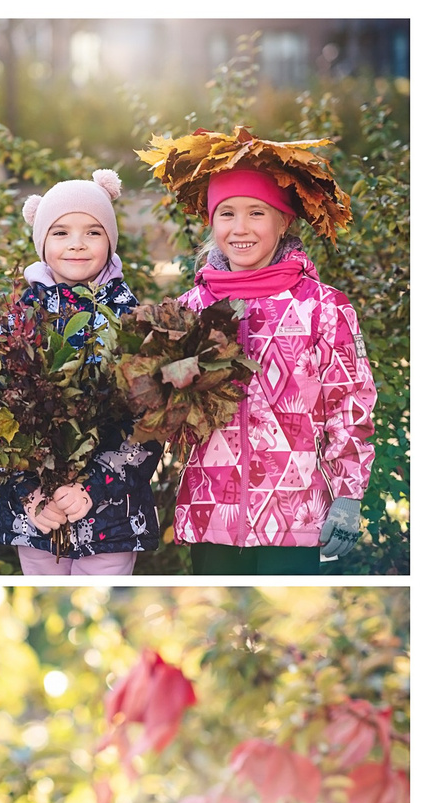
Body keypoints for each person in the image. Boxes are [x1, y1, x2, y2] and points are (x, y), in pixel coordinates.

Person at [144, 132, 375, 573]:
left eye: (257, 212)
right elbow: (169, 416)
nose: (240, 228)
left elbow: (350, 404)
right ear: (212, 222)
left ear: (284, 221)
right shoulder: (190, 310)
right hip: (212, 510)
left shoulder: (323, 308)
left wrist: (348, 495)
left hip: (296, 515)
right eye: (227, 213)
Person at [0, 171, 159, 574]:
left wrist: (92, 489)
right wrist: (31, 493)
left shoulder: (132, 320)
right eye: (61, 232)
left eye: (93, 232)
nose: (77, 243)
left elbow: (149, 420)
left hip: (110, 514)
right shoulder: (18, 321)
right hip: (38, 515)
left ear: (111, 241)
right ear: (42, 241)